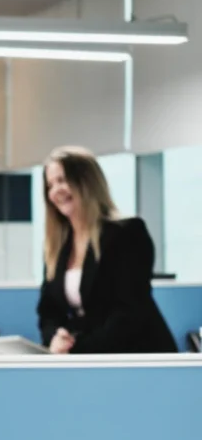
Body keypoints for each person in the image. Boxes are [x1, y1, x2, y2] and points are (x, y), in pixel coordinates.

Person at [37, 146, 175, 354]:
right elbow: (48, 311)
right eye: (50, 185)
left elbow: (128, 312)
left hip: (136, 355)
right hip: (88, 357)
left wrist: (77, 350)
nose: (56, 190)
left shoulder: (127, 233)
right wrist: (56, 338)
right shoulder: (58, 245)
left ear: (88, 182)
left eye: (63, 180)